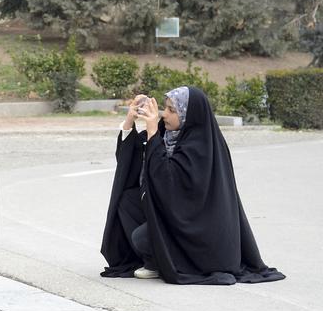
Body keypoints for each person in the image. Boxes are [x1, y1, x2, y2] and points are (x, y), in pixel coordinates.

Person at [100, 86, 284, 285]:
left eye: (172, 110)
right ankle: (156, 259)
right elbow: (131, 159)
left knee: (141, 238)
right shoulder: (168, 133)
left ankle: (165, 262)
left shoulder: (201, 146)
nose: (164, 115)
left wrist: (153, 132)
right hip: (177, 215)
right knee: (127, 201)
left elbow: (169, 183)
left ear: (189, 115)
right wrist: (130, 121)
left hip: (200, 230)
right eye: (165, 108)